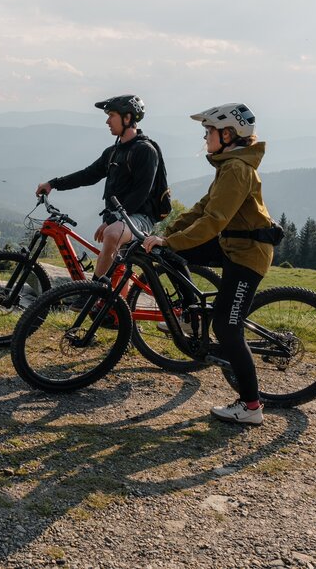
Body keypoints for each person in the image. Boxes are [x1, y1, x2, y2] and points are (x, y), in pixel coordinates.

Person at [142, 103, 275, 425]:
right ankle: (191, 318)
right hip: (232, 243)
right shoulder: (228, 165)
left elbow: (214, 220)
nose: (205, 138)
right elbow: (201, 209)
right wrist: (165, 236)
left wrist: (171, 241)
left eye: (209, 132)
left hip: (248, 254)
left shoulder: (237, 169)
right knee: (170, 255)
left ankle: (251, 407)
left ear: (228, 134)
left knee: (227, 328)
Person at [35, 95, 158, 280]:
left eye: (112, 115)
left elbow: (141, 193)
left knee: (112, 233)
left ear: (127, 118)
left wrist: (114, 219)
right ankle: (114, 299)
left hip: (140, 218)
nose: (107, 121)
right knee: (118, 267)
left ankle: (94, 292)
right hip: (119, 217)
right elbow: (88, 175)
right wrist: (53, 184)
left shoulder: (145, 150)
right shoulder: (113, 152)